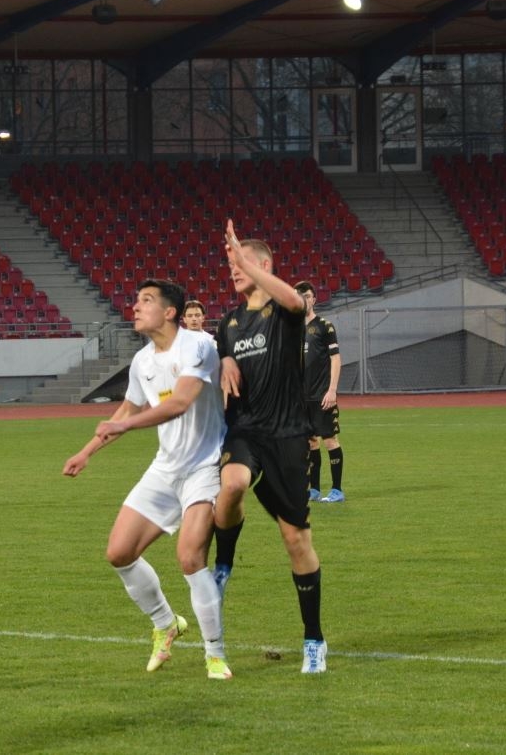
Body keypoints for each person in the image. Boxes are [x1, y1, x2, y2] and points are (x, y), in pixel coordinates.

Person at [63, 279, 230, 681]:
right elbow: (126, 409)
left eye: (146, 300)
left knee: (190, 558)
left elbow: (180, 402)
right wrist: (87, 451)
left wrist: (125, 426)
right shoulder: (142, 361)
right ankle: (166, 623)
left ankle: (215, 653)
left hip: (205, 466)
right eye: (137, 299)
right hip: (165, 468)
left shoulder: (197, 345)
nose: (135, 306)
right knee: (119, 552)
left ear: (170, 312)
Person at [211, 219, 327, 673]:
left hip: (288, 436)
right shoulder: (229, 322)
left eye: (239, 264)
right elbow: (220, 349)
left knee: (295, 539)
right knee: (232, 484)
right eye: (230, 265)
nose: (232, 270)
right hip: (246, 431)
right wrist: (225, 358)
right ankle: (223, 567)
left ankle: (314, 639)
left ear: (262, 265)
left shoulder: (284, 310)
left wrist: (245, 258)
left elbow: (296, 300)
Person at [293, 281, 344, 503]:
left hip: (322, 395)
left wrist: (332, 390)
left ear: (314, 299)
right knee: (311, 442)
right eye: (299, 296)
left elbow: (336, 359)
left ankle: (337, 490)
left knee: (330, 440)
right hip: (301, 398)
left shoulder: (325, 326)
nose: (303, 300)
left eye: (307, 296)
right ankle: (314, 489)